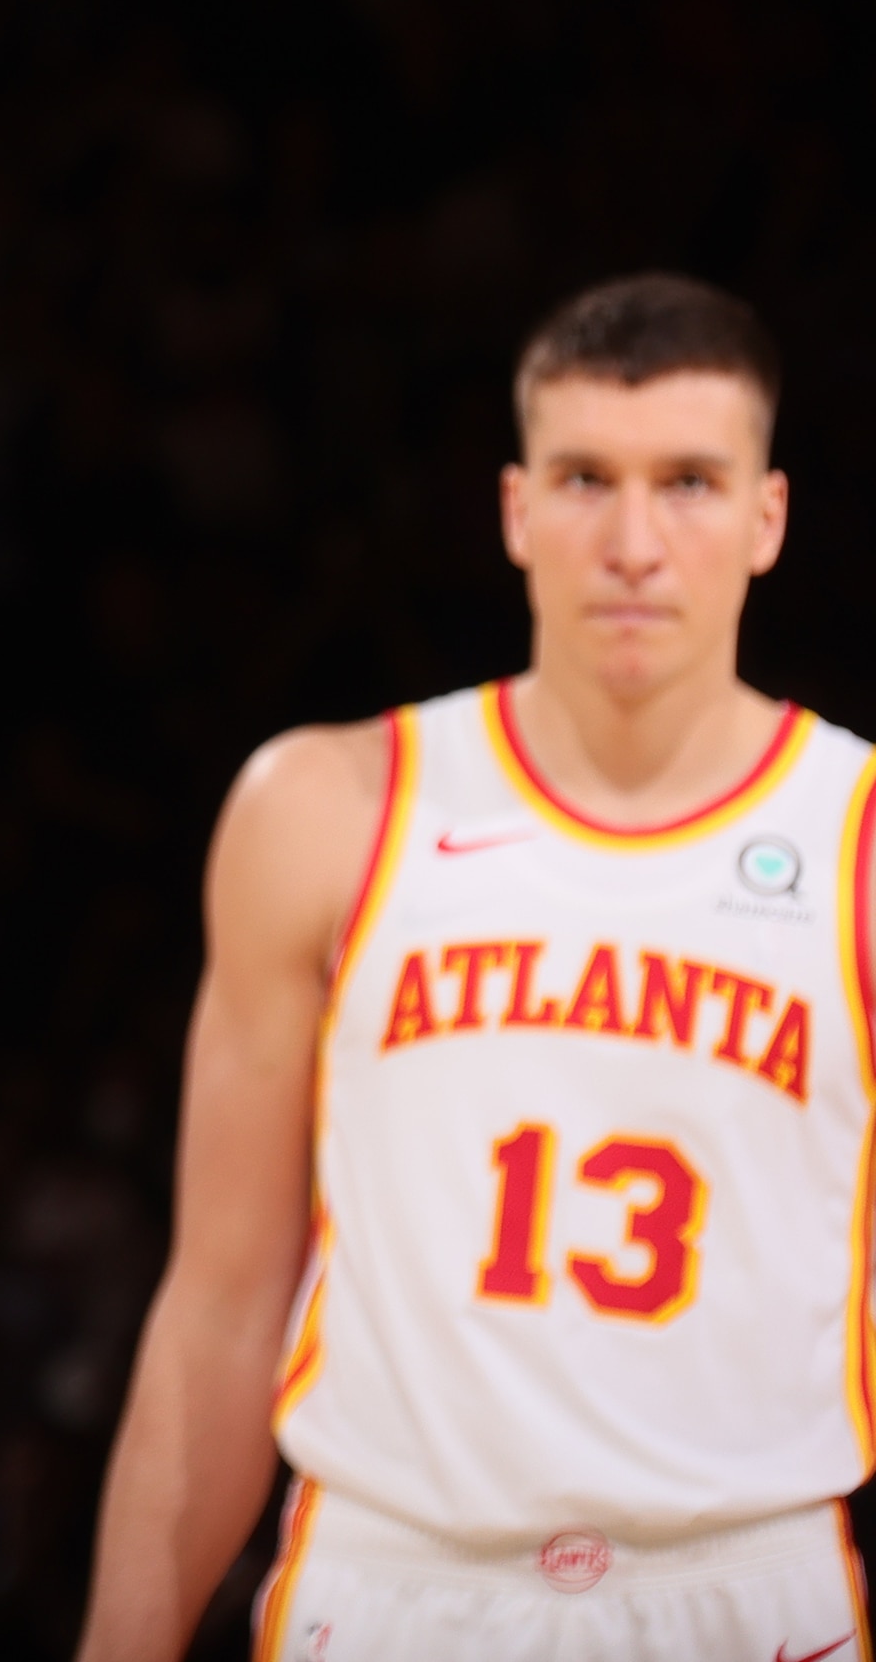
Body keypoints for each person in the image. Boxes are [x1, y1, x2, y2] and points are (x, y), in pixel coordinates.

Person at [79, 274, 873, 1662]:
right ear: (516, 509)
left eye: (689, 482)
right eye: (585, 479)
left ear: (769, 519)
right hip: (390, 1579)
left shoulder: (857, 842)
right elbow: (218, 1305)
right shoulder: (326, 806)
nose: (632, 540)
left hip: (750, 1590)